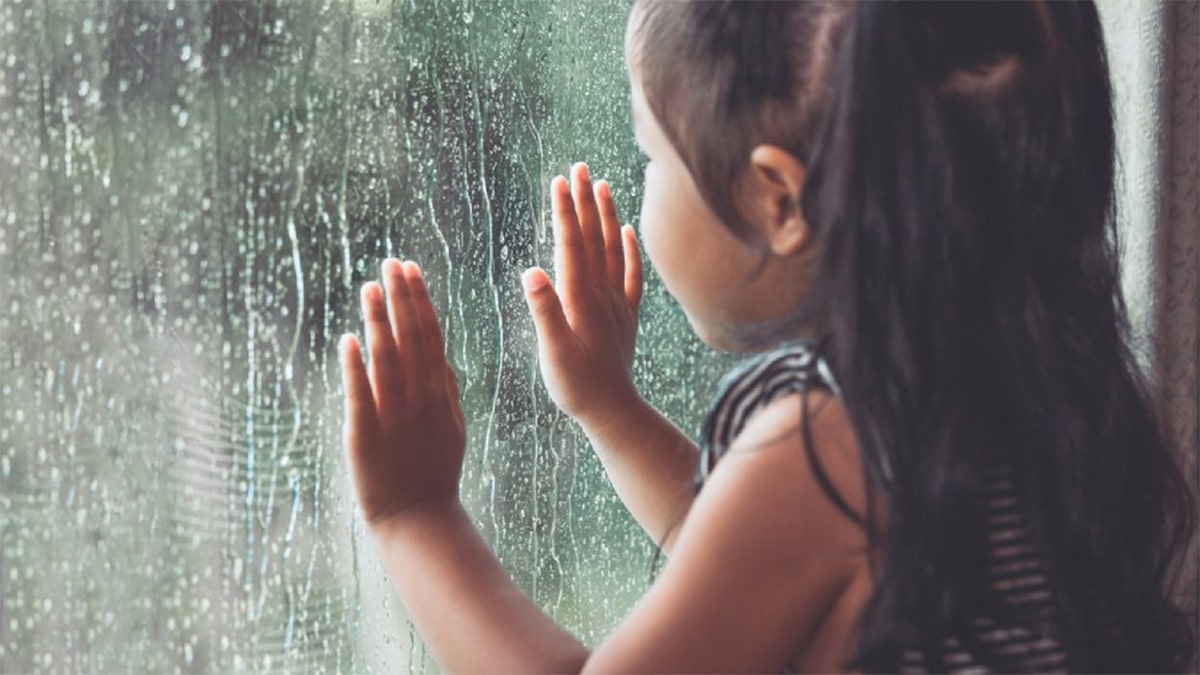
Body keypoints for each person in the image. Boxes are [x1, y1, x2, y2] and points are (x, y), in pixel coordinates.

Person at [338, 1, 1196, 672]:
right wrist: (611, 408)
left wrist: (416, 514)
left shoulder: (834, 442)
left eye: (652, 158)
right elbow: (750, 584)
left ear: (780, 201)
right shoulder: (999, 387)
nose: (646, 187)